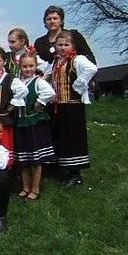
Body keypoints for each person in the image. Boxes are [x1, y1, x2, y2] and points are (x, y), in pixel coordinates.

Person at [46, 30, 97, 187]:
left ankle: (76, 174)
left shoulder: (77, 60)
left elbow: (92, 69)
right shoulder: (56, 62)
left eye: (66, 45)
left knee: (73, 139)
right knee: (62, 138)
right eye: (59, 45)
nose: (62, 48)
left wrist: (80, 83)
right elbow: (46, 74)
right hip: (59, 106)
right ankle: (66, 171)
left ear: (73, 46)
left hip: (73, 106)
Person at [15, 52, 56, 200]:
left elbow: (50, 93)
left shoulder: (38, 82)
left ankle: (35, 188)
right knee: (23, 158)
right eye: (24, 66)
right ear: (20, 67)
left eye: (31, 66)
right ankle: (25, 187)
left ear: (35, 66)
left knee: (35, 158)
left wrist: (40, 102)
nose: (28, 69)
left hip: (34, 123)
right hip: (20, 123)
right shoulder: (17, 81)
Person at [0, 47, 28, 164]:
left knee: (4, 148)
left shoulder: (9, 78)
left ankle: (7, 171)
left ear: (4, 62)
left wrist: (13, 104)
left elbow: (23, 90)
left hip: (4, 120)